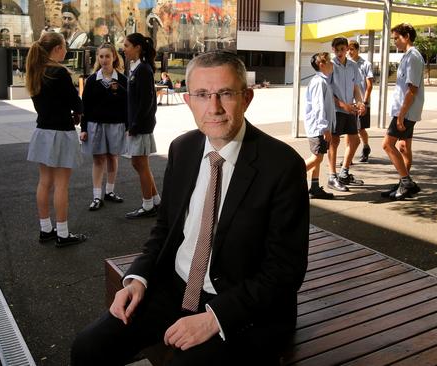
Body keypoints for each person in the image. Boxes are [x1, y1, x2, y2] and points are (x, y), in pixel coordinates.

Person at [71, 50, 309, 365]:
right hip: (177, 287)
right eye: (201, 95)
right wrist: (137, 278)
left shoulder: (282, 165)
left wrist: (215, 317)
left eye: (225, 93)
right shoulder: (183, 149)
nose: (214, 107)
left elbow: (284, 270)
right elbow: (165, 229)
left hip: (245, 307)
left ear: (247, 97)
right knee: (88, 348)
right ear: (188, 101)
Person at [25, 32, 86, 246]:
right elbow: (75, 101)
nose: (66, 50)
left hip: (42, 132)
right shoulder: (59, 73)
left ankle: (46, 229)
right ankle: (62, 233)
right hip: (61, 133)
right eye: (64, 46)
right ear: (57, 49)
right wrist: (79, 109)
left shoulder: (35, 71)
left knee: (44, 183)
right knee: (61, 185)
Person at [80, 43, 128, 211]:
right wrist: (84, 128)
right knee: (98, 159)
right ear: (97, 58)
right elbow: (84, 106)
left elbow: (127, 105)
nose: (104, 59)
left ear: (114, 57)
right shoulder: (92, 80)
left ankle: (110, 191)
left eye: (108, 56)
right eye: (101, 56)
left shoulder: (122, 79)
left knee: (113, 158)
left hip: (116, 125)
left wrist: (128, 127)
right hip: (96, 125)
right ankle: (96, 196)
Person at [381, 23, 424, 200]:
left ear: (406, 36)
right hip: (404, 110)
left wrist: (400, 115)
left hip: (405, 111)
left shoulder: (413, 57)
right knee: (404, 147)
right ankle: (404, 182)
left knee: (387, 145)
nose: (395, 42)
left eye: (396, 38)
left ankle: (406, 182)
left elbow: (412, 89)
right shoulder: (407, 56)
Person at [122, 33, 161, 219]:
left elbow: (147, 102)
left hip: (141, 125)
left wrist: (135, 125)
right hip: (138, 124)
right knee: (139, 164)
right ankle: (156, 201)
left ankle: (148, 206)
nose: (124, 48)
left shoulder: (143, 70)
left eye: (127, 45)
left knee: (140, 163)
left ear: (137, 47)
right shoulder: (136, 67)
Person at [327, 37, 366, 192]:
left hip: (350, 109)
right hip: (336, 110)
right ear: (333, 50)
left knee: (355, 141)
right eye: (337, 50)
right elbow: (328, 91)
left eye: (343, 49)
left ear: (347, 49)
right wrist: (343, 105)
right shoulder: (330, 66)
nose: (340, 53)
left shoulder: (353, 65)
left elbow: (356, 86)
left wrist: (360, 102)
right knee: (334, 142)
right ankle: (332, 176)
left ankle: (344, 172)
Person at [304, 52, 335, 200]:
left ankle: (314, 187)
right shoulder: (319, 82)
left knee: (317, 157)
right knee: (316, 158)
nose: (332, 63)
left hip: (318, 127)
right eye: (329, 61)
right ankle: (287, 179)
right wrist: (325, 128)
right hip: (318, 128)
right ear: (321, 65)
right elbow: (319, 107)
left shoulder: (323, 81)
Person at [348, 40, 374, 162]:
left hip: (362, 101)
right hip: (350, 102)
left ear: (357, 49)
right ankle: (349, 158)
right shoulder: (346, 64)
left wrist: (365, 101)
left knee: (360, 129)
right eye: (348, 49)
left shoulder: (366, 64)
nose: (349, 52)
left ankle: (365, 146)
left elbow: (369, 85)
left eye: (352, 49)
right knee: (349, 130)